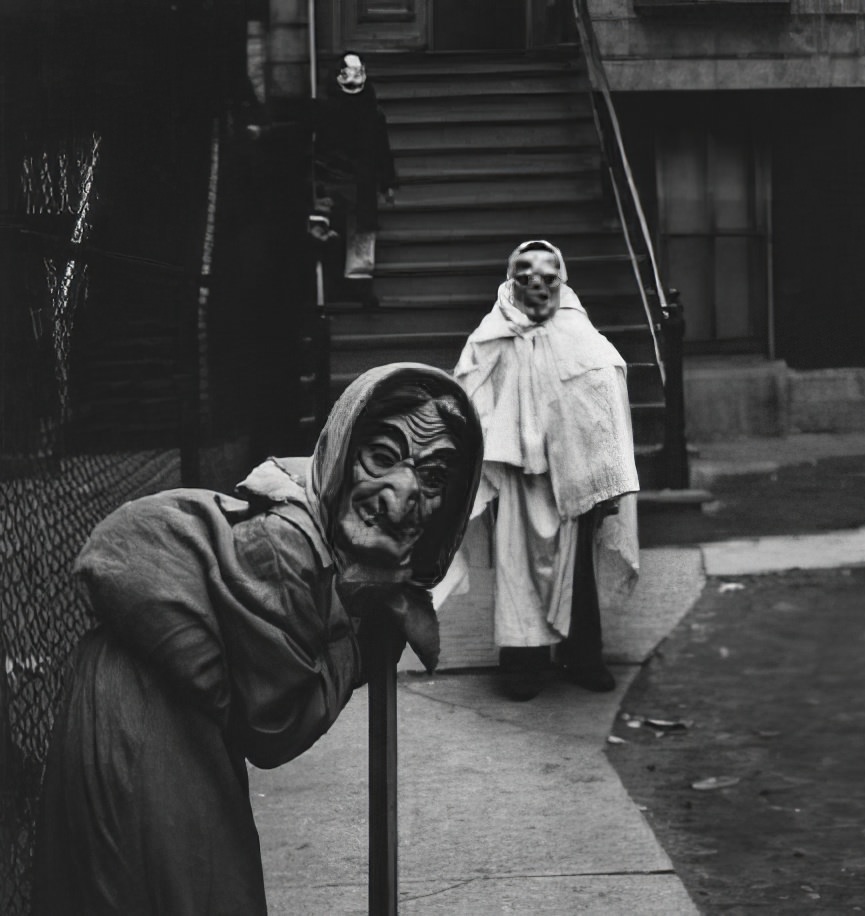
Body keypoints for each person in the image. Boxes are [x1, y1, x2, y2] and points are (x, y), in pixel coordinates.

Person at [32, 363, 482, 916]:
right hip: (141, 721)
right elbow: (275, 727)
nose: (403, 495)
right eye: (382, 458)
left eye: (434, 479)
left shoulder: (309, 498)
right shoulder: (291, 546)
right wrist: (360, 643)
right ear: (342, 451)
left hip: (154, 706)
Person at [452, 240, 640, 701]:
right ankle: (523, 663)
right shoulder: (491, 334)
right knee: (517, 570)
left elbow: (606, 396)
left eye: (548, 279)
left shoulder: (580, 335)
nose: (537, 287)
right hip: (516, 476)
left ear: (562, 281)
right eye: (525, 278)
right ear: (511, 281)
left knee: (577, 574)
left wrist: (605, 472)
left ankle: (583, 656)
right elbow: (466, 395)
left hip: (571, 476)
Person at [313, 52, 398, 305]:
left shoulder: (371, 112)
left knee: (360, 237)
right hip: (337, 179)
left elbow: (381, 147)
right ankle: (338, 287)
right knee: (338, 234)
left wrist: (387, 182)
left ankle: (357, 288)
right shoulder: (327, 110)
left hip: (357, 180)